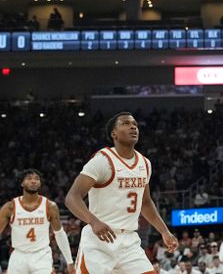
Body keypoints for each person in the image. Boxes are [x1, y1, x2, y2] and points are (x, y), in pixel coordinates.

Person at [66, 111, 178, 273]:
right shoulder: (102, 161)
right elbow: (72, 197)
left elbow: (145, 203)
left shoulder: (145, 163)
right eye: (125, 123)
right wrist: (94, 221)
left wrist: (164, 231)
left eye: (135, 124)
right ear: (114, 134)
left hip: (129, 242)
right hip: (99, 241)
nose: (133, 127)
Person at [0, 169, 75, 274]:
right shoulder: (10, 207)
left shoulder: (50, 206)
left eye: (36, 179)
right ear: (22, 183)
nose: (33, 181)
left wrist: (69, 261)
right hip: (18, 255)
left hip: (41, 255)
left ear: (40, 183)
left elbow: (60, 234)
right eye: (29, 178)